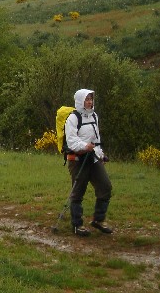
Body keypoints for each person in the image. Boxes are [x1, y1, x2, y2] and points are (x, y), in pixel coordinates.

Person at [65, 89, 113, 237]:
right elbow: (71, 140)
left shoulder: (94, 116)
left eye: (91, 99)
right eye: (87, 99)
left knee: (105, 186)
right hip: (77, 159)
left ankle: (98, 220)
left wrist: (101, 155)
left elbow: (96, 139)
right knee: (78, 192)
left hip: (92, 157)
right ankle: (77, 224)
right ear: (80, 101)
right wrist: (85, 146)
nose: (90, 102)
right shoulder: (73, 118)